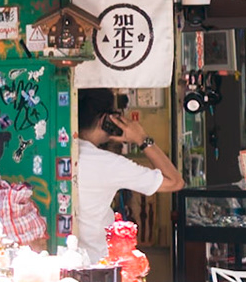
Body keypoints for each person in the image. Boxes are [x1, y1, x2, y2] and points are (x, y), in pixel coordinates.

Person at [74, 88, 181, 262]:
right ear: (106, 120)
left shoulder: (58, 151)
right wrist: (142, 139)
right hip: (95, 263)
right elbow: (175, 182)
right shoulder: (109, 164)